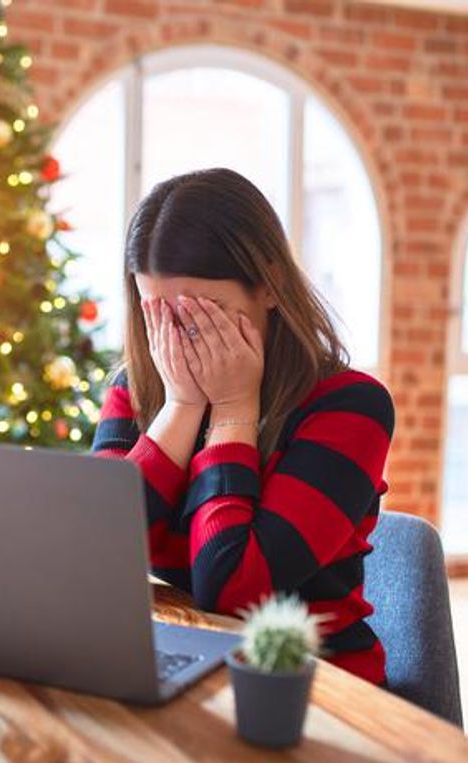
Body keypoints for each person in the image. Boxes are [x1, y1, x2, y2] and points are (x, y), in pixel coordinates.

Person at [91, 168, 394, 685]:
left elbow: (233, 591)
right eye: (158, 316)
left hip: (311, 682)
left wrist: (233, 411)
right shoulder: (136, 386)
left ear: (271, 285)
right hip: (176, 657)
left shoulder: (351, 407)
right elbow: (92, 544)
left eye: (202, 318)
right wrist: (181, 406)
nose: (179, 341)